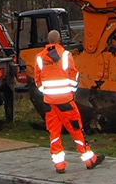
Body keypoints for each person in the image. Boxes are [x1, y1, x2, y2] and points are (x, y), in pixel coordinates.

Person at [34, 29, 104, 173]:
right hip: (66, 101)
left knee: (54, 133)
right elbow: (74, 75)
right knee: (76, 130)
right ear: (59, 40)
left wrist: (47, 93)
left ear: (48, 41)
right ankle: (89, 160)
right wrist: (71, 92)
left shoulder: (40, 58)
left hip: (49, 103)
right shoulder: (66, 55)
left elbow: (38, 81)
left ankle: (59, 165)